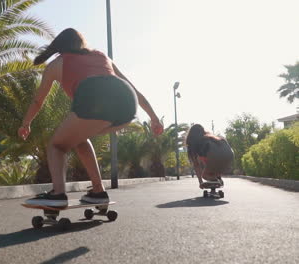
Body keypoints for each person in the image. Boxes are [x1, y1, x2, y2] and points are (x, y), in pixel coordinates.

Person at [18, 28, 163, 207]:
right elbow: (132, 87)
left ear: (59, 46)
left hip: (94, 98)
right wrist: (154, 117)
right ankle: (98, 191)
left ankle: (58, 194)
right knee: (78, 139)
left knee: (57, 145)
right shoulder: (102, 56)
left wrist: (26, 123)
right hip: (127, 103)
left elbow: (37, 101)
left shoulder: (57, 64)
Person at [185, 124, 234, 189]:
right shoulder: (212, 138)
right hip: (230, 157)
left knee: (205, 175)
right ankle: (216, 177)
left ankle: (216, 180)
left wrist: (201, 182)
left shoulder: (195, 143)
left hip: (215, 158)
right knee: (207, 159)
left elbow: (196, 165)